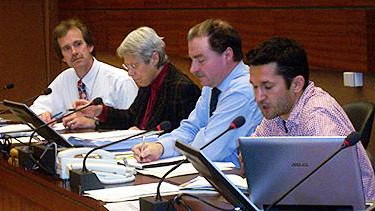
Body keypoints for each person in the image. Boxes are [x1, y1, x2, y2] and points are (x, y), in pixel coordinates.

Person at [246, 36, 375, 201]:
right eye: (255, 86)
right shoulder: (277, 110)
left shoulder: (317, 117)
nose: (259, 97)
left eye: (267, 87)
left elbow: (334, 189)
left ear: (297, 84)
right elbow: (255, 156)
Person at [132, 19, 263, 166]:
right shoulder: (212, 85)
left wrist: (180, 144)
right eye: (192, 60)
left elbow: (209, 150)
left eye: (200, 60)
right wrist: (160, 147)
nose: (193, 69)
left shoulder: (244, 90)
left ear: (227, 55)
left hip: (234, 182)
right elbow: (190, 128)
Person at [62, 26, 200, 130]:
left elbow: (184, 136)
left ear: (154, 58)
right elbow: (131, 117)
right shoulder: (148, 82)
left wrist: (144, 135)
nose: (130, 73)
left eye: (134, 65)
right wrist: (100, 111)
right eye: (127, 66)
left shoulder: (182, 89)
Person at [30, 18, 138, 123]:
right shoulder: (64, 79)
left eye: (78, 44)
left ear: (90, 46)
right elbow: (35, 109)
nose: (74, 52)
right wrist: (43, 115)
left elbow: (134, 122)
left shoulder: (120, 81)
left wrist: (95, 123)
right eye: (67, 48)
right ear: (62, 57)